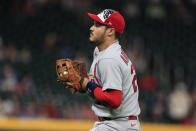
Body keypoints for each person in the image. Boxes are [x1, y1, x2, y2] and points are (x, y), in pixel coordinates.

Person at [69, 9, 141, 131]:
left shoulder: (109, 59)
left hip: (119, 125)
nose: (92, 28)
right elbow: (101, 89)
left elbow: (114, 100)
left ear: (111, 31)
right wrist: (84, 86)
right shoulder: (102, 52)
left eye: (98, 25)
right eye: (93, 24)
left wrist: (88, 84)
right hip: (117, 124)